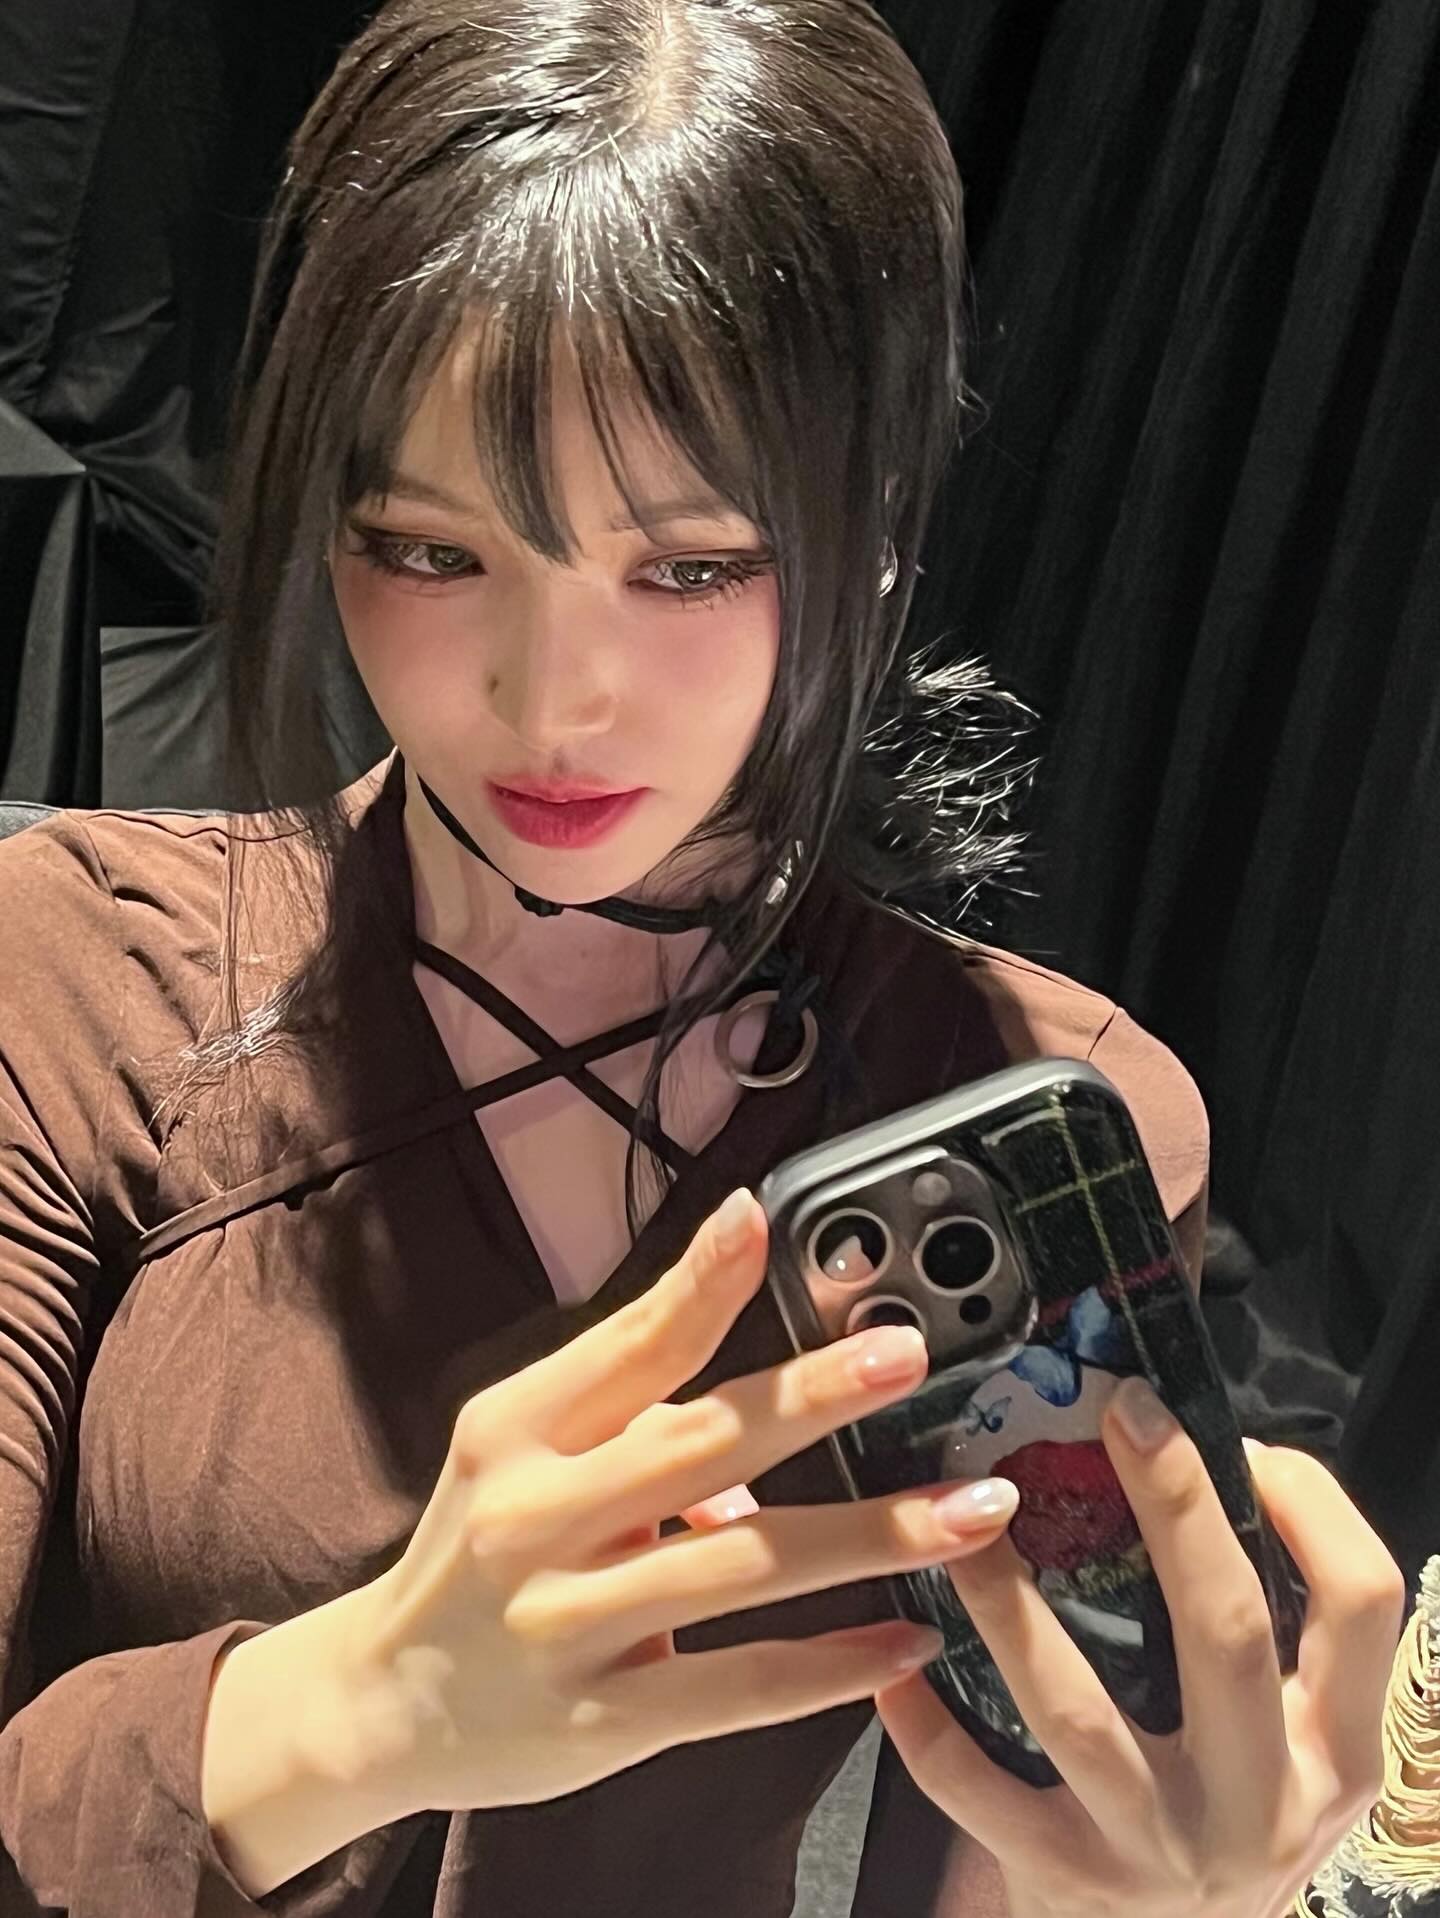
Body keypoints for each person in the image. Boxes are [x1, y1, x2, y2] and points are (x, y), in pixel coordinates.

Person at [0, 2, 1405, 1914]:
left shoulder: (1005, 1098)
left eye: (689, 566)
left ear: (872, 538)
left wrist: (1138, 1879)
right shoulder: (81, 977)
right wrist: (355, 1710)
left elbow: (981, 1851)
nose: (550, 698)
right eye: (429, 550)